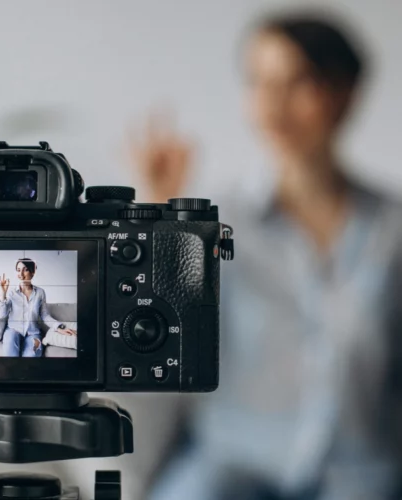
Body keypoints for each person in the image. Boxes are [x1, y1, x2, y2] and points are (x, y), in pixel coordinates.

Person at [129, 13, 402, 500]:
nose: (274, 105)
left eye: (297, 82)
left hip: (359, 475)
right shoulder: (213, 224)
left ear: (343, 93)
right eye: (259, 82)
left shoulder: (392, 231)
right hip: (230, 469)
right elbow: (159, 347)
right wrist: (158, 222)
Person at [0, 258, 77, 357]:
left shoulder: (40, 293)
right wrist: (3, 293)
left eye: (25, 269)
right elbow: (1, 314)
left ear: (33, 272)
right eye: (18, 270)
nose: (21, 274)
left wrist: (59, 327)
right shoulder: (12, 293)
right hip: (13, 331)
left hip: (33, 333)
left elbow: (45, 316)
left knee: (32, 356)